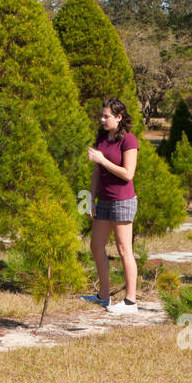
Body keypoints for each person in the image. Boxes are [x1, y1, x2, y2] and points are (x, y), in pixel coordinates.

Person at [82, 97, 140, 315]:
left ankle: (131, 302)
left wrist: (103, 160)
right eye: (102, 115)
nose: (102, 119)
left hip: (123, 200)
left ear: (119, 117)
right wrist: (91, 198)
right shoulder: (102, 137)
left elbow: (128, 173)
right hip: (104, 200)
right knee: (96, 246)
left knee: (124, 250)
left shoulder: (129, 140)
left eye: (107, 116)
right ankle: (104, 296)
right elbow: (96, 171)